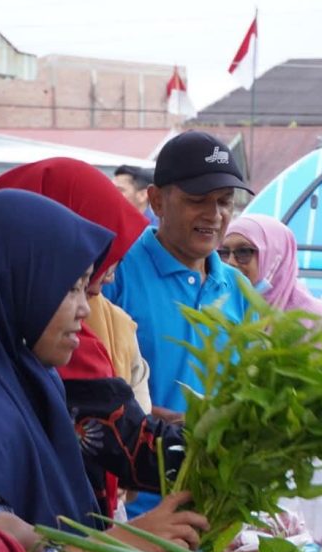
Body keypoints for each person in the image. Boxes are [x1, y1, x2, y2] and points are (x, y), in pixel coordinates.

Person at [0, 190, 206, 549]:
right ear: (13, 280)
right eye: (70, 288)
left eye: (86, 286)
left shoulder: (33, 378)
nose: (85, 309)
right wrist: (122, 545)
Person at [0, 158, 180, 518]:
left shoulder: (47, 335)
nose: (108, 278)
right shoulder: (42, 338)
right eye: (74, 282)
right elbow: (130, 444)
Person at [104, 131, 254, 515]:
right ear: (157, 200)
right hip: (134, 517)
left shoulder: (238, 289)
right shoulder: (115, 273)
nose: (215, 215)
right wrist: (139, 416)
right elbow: (87, 389)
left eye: (224, 202)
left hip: (218, 510)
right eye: (197, 200)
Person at [222, 214, 322, 375]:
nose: (230, 261)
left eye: (243, 252)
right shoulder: (222, 306)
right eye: (223, 252)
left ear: (275, 257)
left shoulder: (312, 318)